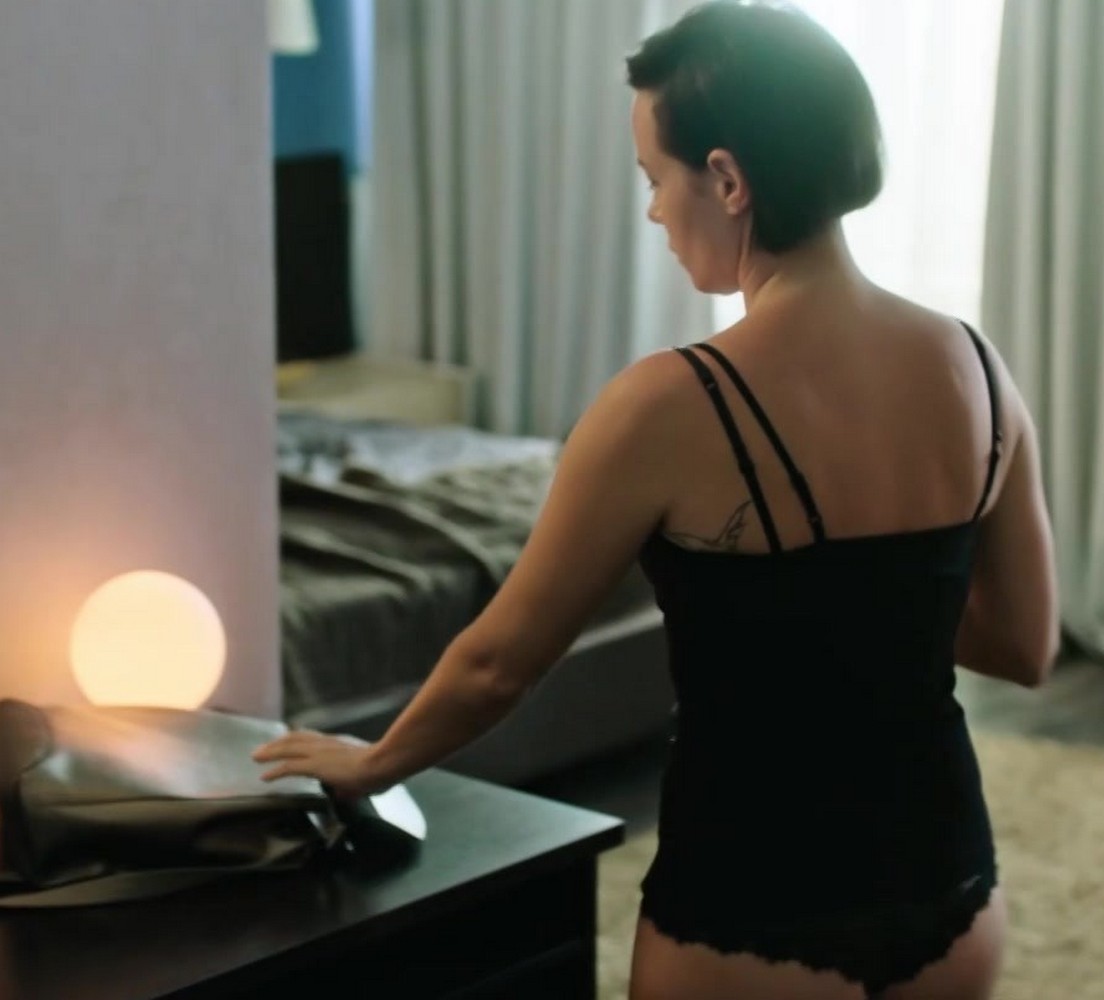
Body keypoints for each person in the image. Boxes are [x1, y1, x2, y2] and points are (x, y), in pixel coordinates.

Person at [254, 2, 1059, 997]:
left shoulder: (669, 403)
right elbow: (1024, 646)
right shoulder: (977, 367)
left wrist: (372, 763)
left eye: (654, 179)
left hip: (750, 906)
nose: (653, 213)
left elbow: (501, 663)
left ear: (726, 179)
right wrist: (876, 601)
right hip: (954, 893)